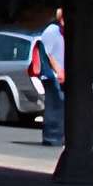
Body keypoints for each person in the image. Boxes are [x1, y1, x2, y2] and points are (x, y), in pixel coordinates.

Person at [33, 9, 67, 146]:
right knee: (55, 104)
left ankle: (60, 136)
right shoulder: (52, 31)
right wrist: (59, 71)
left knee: (61, 105)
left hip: (61, 73)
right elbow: (48, 54)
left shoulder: (64, 32)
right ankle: (52, 137)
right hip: (52, 75)